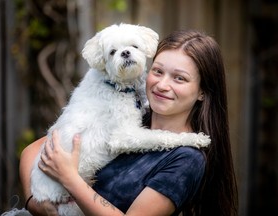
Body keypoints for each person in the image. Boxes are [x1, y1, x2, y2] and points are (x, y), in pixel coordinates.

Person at [19, 29, 238, 216]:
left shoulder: (186, 158)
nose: (162, 84)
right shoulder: (131, 114)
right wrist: (32, 202)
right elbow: (32, 150)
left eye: (179, 78)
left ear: (202, 91)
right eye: (158, 71)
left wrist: (69, 179)